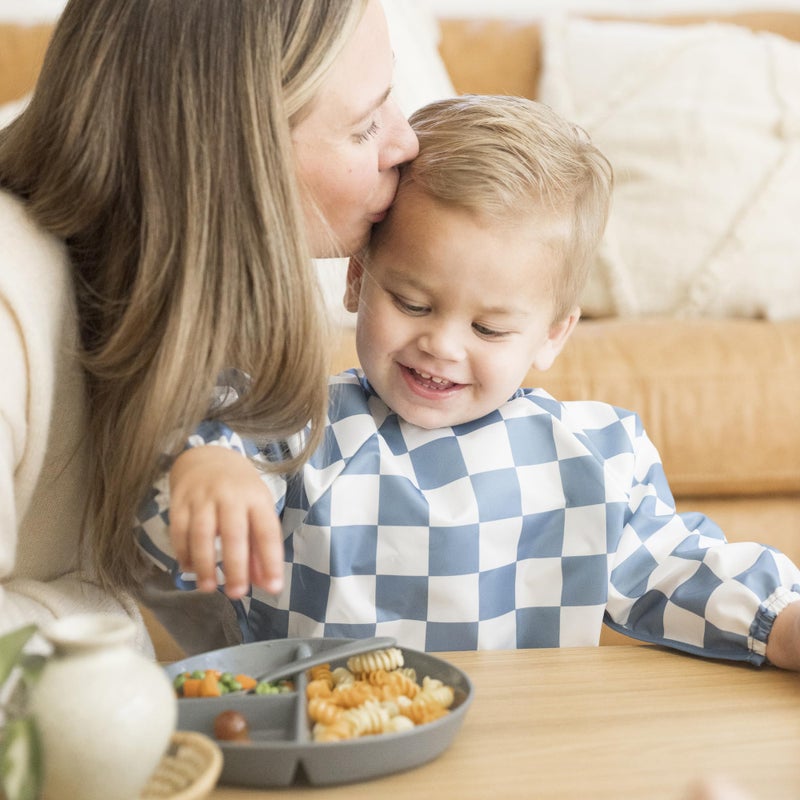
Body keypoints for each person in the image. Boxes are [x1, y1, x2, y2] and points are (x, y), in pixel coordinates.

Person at [139, 95, 800, 668]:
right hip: (331, 746)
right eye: (413, 304)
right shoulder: (295, 427)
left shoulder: (592, 456)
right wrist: (204, 460)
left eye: (488, 329)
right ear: (358, 280)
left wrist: (779, 624)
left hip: (521, 752)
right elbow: (168, 520)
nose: (442, 345)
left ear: (552, 335)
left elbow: (673, 569)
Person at [0, 0, 418, 654]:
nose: (406, 143)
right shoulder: (10, 312)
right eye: (366, 125)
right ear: (236, 153)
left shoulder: (204, 298)